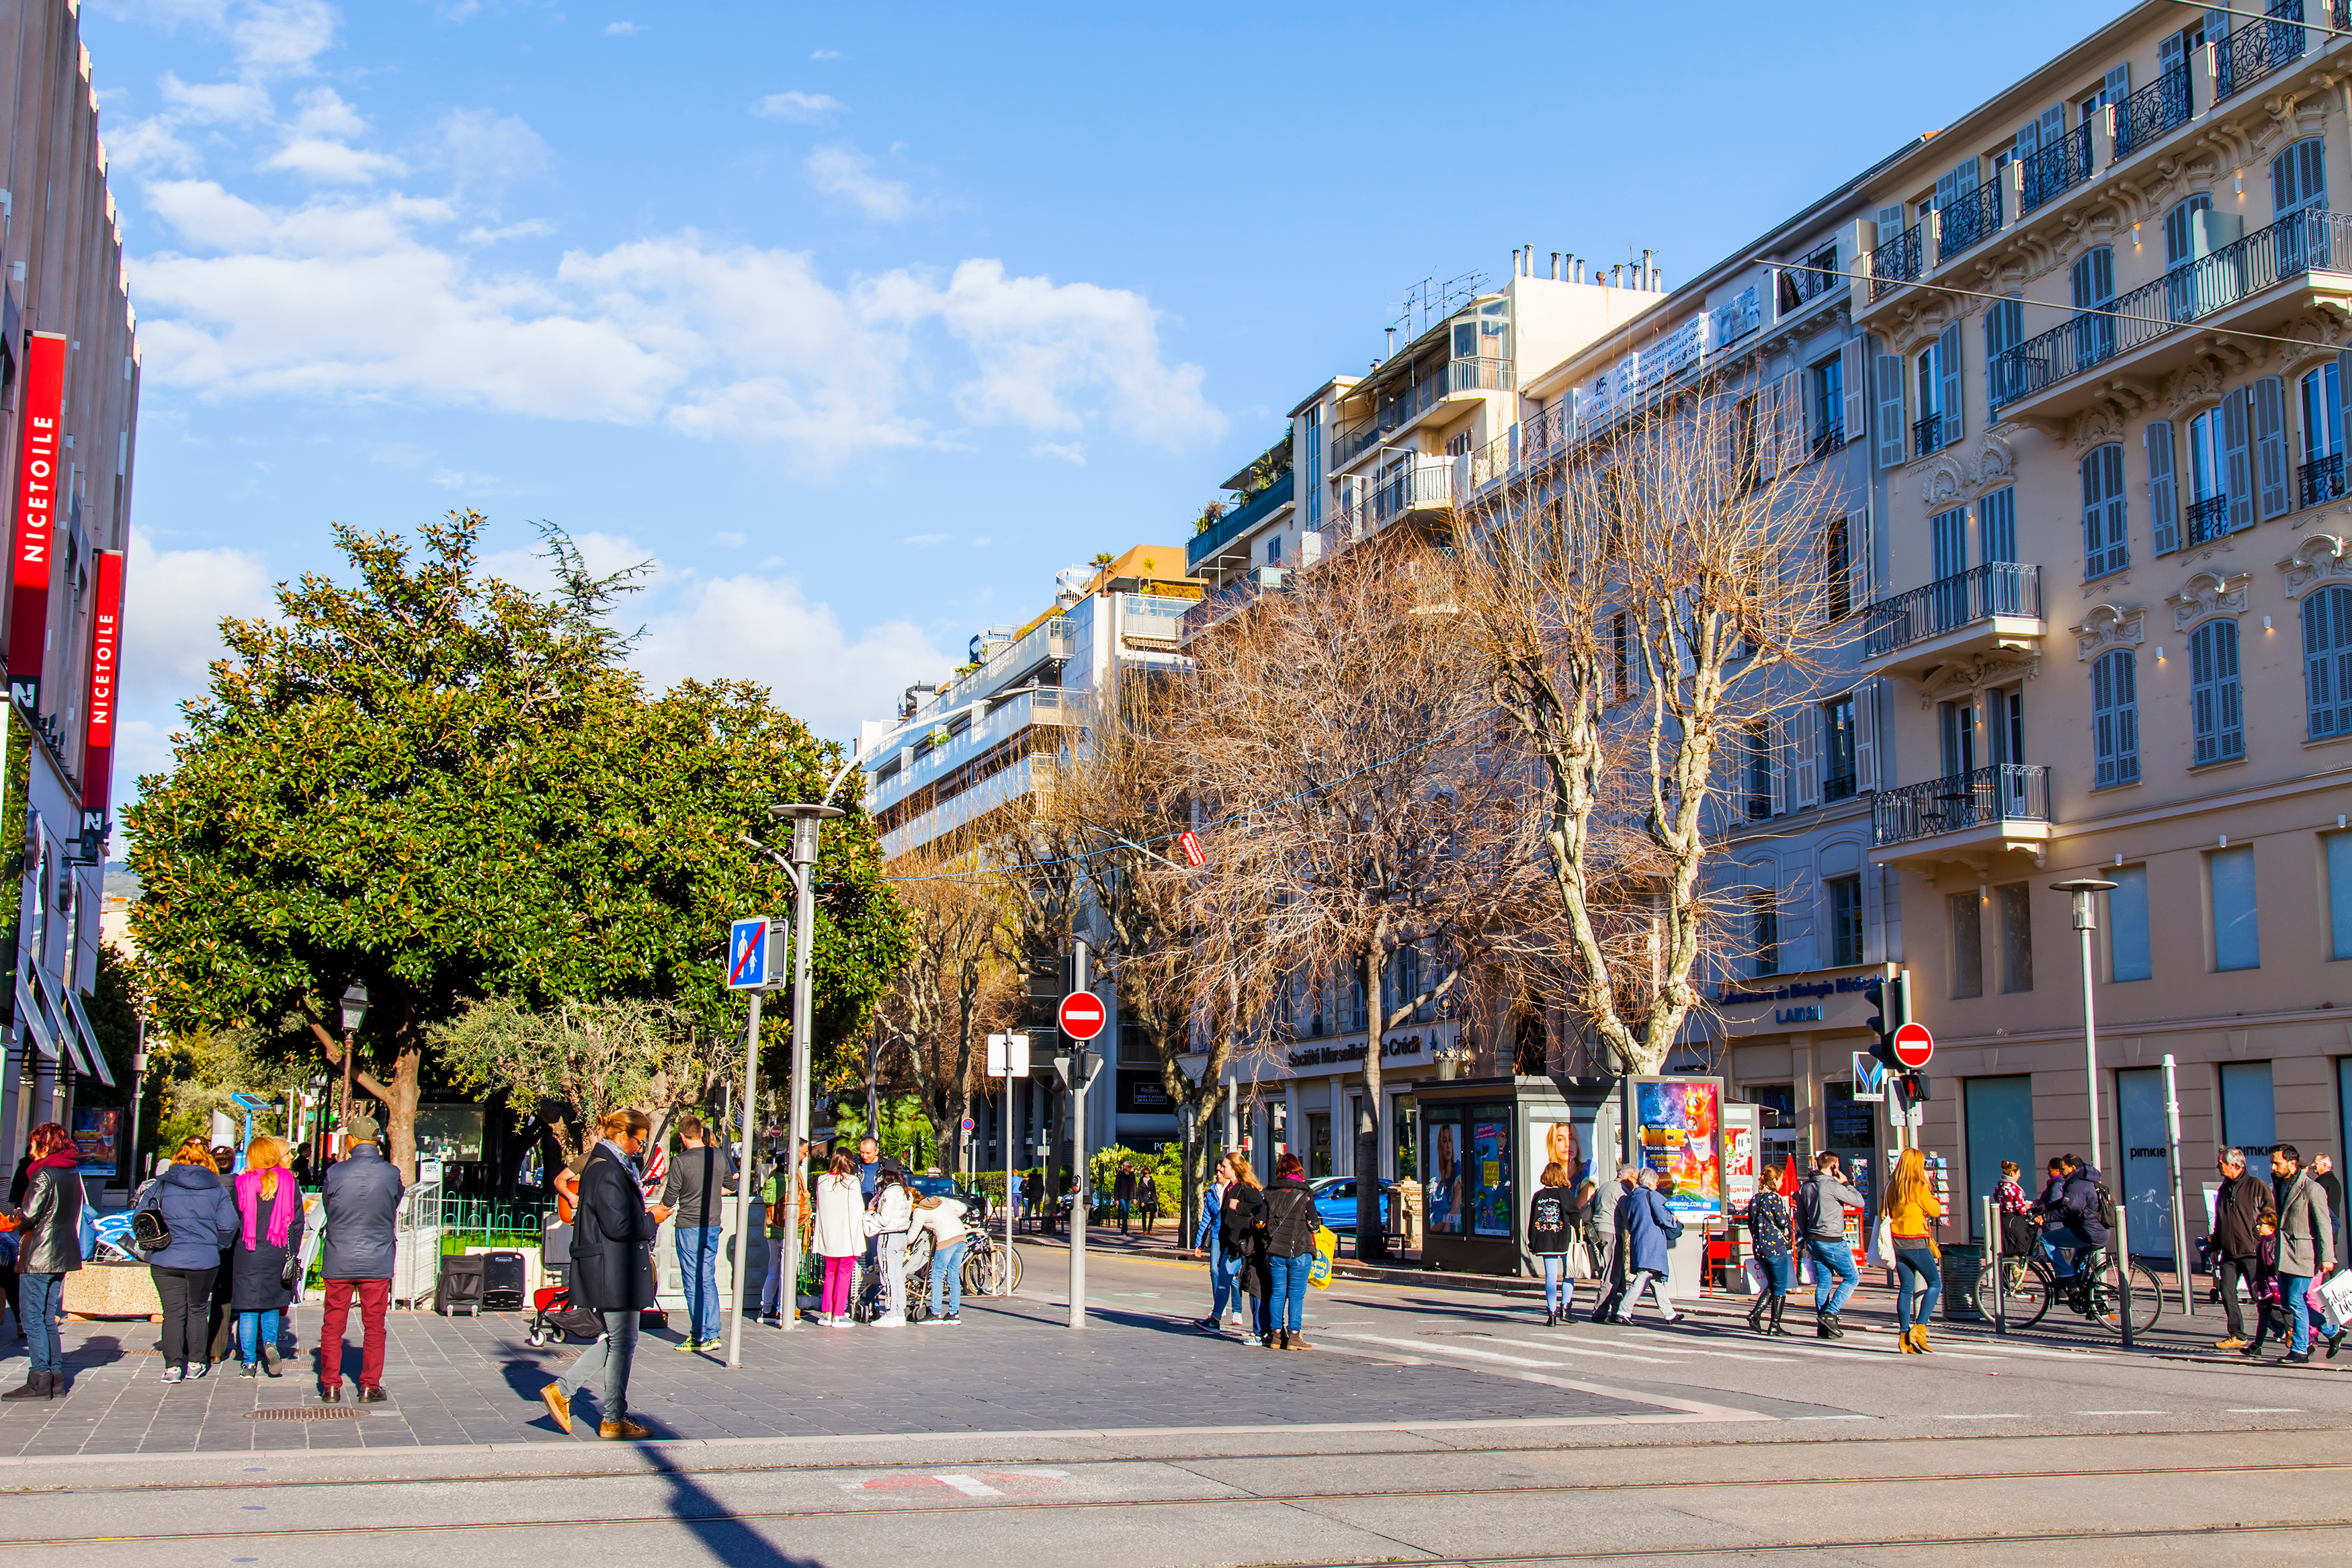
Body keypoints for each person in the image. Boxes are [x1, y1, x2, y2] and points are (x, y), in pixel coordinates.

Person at [542, 1109, 657, 1439]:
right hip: (613, 1269)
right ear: (623, 1137)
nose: (641, 1147)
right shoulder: (607, 1168)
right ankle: (608, 1416)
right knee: (623, 1341)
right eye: (639, 1141)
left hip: (611, 1267)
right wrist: (653, 1220)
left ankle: (568, 1394)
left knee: (620, 1340)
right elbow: (618, 1226)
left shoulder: (605, 1163)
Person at [136, 1138, 240, 1385]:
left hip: (165, 1257)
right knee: (197, 1310)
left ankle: (173, 1367)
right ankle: (196, 1363)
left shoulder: (161, 1185)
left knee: (172, 1313)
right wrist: (215, 1245)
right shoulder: (216, 1188)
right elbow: (230, 1224)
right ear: (207, 1160)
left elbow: (140, 1215)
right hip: (204, 1260)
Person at [316, 1116, 403, 1403]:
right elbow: (395, 1202)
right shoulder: (391, 1174)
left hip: (339, 1256)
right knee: (374, 1326)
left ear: (352, 1141)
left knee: (333, 1324)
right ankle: (369, 1386)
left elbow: (329, 1207)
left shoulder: (336, 1172)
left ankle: (330, 1385)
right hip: (377, 1259)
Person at [3, 1123, 83, 1400]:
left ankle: (39, 1379)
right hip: (63, 1252)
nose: (31, 1151)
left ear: (45, 1145)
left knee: (32, 1318)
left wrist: (11, 1219)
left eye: (34, 1144)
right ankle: (55, 1379)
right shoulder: (71, 1171)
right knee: (47, 1318)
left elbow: (29, 1214)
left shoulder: (44, 1173)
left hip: (39, 1254)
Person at [228, 1136, 305, 1379]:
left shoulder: (241, 1183)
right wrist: (292, 1250)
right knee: (271, 1304)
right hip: (277, 1250)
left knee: (248, 1308)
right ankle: (270, 1344)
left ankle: (249, 1363)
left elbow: (231, 1222)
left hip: (247, 1252)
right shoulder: (287, 1181)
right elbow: (297, 1222)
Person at [659, 1116, 737, 1354]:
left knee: (692, 1281)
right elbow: (731, 1186)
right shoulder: (718, 1156)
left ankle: (699, 1334)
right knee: (707, 1277)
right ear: (702, 1134)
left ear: (682, 1137)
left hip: (688, 1225)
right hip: (712, 1224)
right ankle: (712, 1334)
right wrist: (713, 1192)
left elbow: (669, 1199)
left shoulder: (680, 1161)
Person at [2270, 1144, 2335, 1364]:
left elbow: (2325, 1224)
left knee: (2297, 1299)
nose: (2273, 1166)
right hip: (2285, 1254)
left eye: (2277, 1163)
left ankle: (2300, 1350)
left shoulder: (2312, 1189)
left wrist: (2328, 1257)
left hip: (2305, 1254)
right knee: (2289, 1302)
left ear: (2292, 1163)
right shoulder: (2279, 1185)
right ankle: (2332, 1331)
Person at [2211, 1146, 2277, 1352]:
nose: (2218, 1167)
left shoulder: (2257, 1186)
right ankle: (2237, 1334)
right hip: (2229, 1252)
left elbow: (2270, 1216)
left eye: (2221, 1163)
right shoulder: (2224, 1188)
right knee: (2227, 1292)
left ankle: (2286, 1326)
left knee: (2261, 1295)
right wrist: (2215, 1246)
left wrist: (2258, 1240)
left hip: (2252, 1251)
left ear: (2233, 1165)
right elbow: (2220, 1220)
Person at [1796, 1151, 1864, 1338]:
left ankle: (1823, 1327)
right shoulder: (1832, 1186)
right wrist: (1846, 1183)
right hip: (1833, 1239)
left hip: (1814, 1239)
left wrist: (1806, 1235)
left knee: (1825, 1282)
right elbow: (1859, 1202)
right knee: (1852, 1278)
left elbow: (1801, 1216)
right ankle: (1830, 1313)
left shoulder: (1806, 1187)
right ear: (1834, 1166)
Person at [1886, 1147, 1944, 1354]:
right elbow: (1935, 1211)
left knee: (1906, 1288)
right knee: (1935, 1283)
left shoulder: (1893, 1186)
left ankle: (1904, 1337)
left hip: (1897, 1240)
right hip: (1916, 1240)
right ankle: (1920, 1327)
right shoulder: (1919, 1186)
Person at [1261, 1153, 1318, 1350]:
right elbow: (1314, 1225)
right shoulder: (1305, 1192)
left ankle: (1276, 1335)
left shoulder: (1270, 1191)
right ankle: (1294, 1336)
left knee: (1277, 1292)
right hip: (1300, 1249)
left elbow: (1261, 1221)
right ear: (1298, 1169)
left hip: (1276, 1250)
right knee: (1296, 1294)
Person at [1611, 1168, 1681, 1325]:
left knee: (1656, 1280)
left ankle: (1669, 1314)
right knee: (1644, 1276)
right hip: (1652, 1242)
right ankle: (1624, 1310)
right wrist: (1673, 1219)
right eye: (1656, 1183)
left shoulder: (1632, 1198)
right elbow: (1663, 1217)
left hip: (1639, 1240)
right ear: (1650, 1182)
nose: (1657, 1186)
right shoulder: (1653, 1196)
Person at [1220, 1157, 1272, 1345]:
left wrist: (1238, 1206)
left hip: (1248, 1246)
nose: (1221, 1169)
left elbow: (1258, 1207)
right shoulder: (1232, 1187)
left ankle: (1261, 1330)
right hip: (1236, 1243)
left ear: (1235, 1168)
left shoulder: (1247, 1188)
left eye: (1224, 1166)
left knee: (1253, 1286)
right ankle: (1260, 1329)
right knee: (1236, 1282)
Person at [810, 1151, 864, 1325]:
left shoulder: (822, 1181)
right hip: (847, 1235)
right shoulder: (852, 1182)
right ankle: (839, 1314)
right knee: (845, 1273)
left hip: (828, 1235)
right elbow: (857, 1210)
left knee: (830, 1273)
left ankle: (827, 1312)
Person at [1742, 1164, 1795, 1336]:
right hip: (1775, 1247)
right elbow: (1782, 1222)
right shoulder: (1775, 1198)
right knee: (1780, 1286)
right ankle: (1774, 1324)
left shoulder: (1755, 1199)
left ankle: (1756, 1314)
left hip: (1759, 1247)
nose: (1781, 1184)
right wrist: (1787, 1220)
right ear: (1774, 1180)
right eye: (1780, 1180)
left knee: (1771, 1284)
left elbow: (1750, 1223)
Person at [1528, 1160, 1579, 1327]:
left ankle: (1552, 1314)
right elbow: (1575, 1217)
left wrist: (1532, 1241)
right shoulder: (1566, 1194)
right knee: (1568, 1273)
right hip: (1563, 1239)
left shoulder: (1538, 1195)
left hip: (1544, 1240)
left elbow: (1532, 1221)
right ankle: (1566, 1307)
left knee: (1550, 1277)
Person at [1194, 1154, 1242, 1332]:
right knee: (1215, 1270)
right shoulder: (1212, 1192)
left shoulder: (1235, 1188)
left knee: (1233, 1274)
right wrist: (1199, 1243)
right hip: (1216, 1234)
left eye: (1222, 1170)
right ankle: (1219, 1308)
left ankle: (1237, 1310)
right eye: (1217, 1171)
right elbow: (1206, 1218)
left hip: (1232, 1235)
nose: (1219, 1174)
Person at [914, 1188, 970, 1324]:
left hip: (946, 1240)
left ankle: (935, 1312)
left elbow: (912, 1235)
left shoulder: (919, 1211)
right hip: (961, 1237)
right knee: (954, 1275)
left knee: (937, 1275)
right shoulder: (941, 1200)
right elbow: (963, 1208)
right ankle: (954, 1313)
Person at [868, 1166, 915, 1327]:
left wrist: (872, 1215)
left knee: (887, 1276)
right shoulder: (906, 1192)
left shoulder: (889, 1193)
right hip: (901, 1235)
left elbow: (885, 1219)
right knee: (898, 1277)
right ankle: (899, 1311)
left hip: (888, 1235)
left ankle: (890, 1313)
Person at [2051, 1153, 2109, 1280]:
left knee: (2046, 1239)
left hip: (2087, 1232)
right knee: (2078, 1269)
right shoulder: (2085, 1180)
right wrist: (2045, 1208)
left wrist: (2045, 1218)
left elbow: (2070, 1209)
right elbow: (2066, 1202)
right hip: (2096, 1232)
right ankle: (2088, 1295)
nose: (2061, 1172)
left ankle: (2065, 1273)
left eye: (2063, 1168)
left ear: (2072, 1168)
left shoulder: (2076, 1183)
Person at [1114, 1163, 1137, 1233]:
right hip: (1122, 1196)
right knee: (1124, 1211)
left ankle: (1125, 1229)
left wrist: (1135, 1197)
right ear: (1124, 1167)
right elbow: (1116, 1187)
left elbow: (1134, 1187)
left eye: (1131, 1166)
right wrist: (1116, 1199)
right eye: (1128, 1166)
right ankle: (1124, 1230)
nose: (1130, 1168)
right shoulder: (1120, 1175)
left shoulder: (1132, 1176)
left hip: (1129, 1196)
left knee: (1126, 1213)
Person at [1138, 1171, 1162, 1237]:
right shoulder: (1141, 1182)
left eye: (1149, 1173)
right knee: (1144, 1215)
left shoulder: (1151, 1181)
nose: (1148, 1174)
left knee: (1152, 1215)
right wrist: (1142, 1201)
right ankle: (1144, 1230)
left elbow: (1154, 1192)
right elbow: (1140, 1193)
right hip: (1145, 1200)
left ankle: (1150, 1229)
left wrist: (1156, 1202)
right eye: (1146, 1173)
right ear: (1144, 1174)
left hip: (1152, 1200)